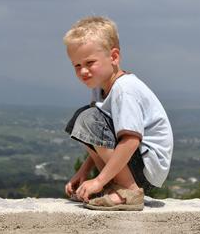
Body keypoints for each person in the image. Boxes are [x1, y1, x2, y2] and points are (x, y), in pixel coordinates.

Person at [63, 16, 173, 211]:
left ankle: (128, 191)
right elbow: (101, 139)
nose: (83, 71)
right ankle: (112, 185)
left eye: (90, 62)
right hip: (135, 164)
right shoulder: (100, 89)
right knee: (82, 118)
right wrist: (84, 171)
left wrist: (98, 180)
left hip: (146, 170)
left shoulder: (125, 89)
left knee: (88, 118)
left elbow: (130, 141)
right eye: (77, 65)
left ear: (114, 57)